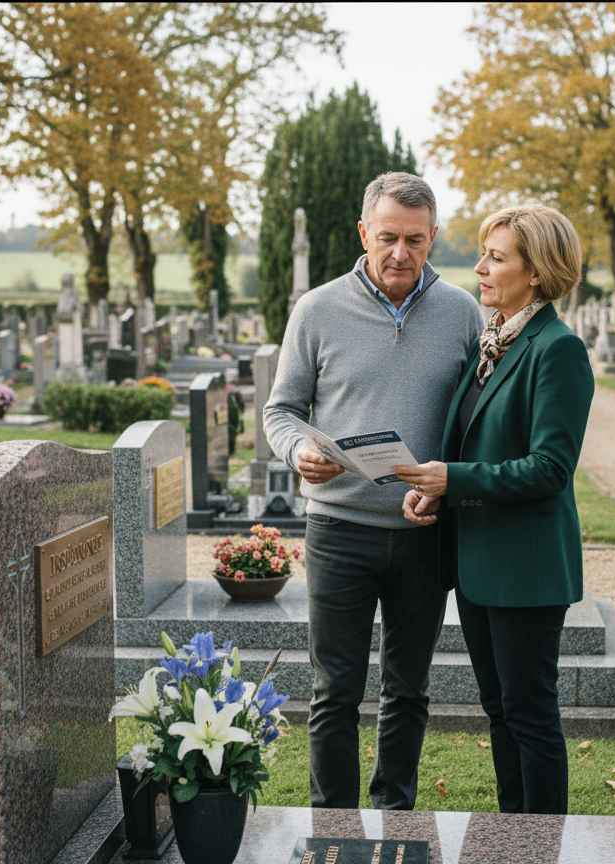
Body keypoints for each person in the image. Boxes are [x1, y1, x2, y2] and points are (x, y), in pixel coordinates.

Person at [263, 172, 485, 809]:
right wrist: (301, 449)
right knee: (335, 690)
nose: (400, 253)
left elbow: (475, 420)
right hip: (338, 529)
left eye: (415, 240)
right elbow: (281, 411)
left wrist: (446, 486)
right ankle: (332, 822)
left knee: (408, 689)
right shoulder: (317, 309)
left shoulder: (462, 312)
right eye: (388, 237)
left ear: (433, 237)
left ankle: (395, 816)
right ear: (364, 233)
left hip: (423, 532)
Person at [393, 203, 594, 815]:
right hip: (479, 563)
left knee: (530, 716)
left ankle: (544, 846)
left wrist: (454, 479)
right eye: (484, 254)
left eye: (496, 257)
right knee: (501, 713)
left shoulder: (556, 349)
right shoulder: (496, 341)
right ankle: (516, 840)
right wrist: (433, 486)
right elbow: (474, 440)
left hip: (527, 568)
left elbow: (550, 468)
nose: (479, 268)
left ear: (536, 272)